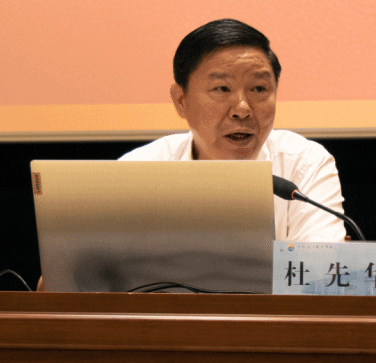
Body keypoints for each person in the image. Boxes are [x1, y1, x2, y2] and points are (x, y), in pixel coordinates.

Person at [121, 18, 347, 242]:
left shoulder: (303, 164)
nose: (242, 109)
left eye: (259, 89)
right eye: (222, 89)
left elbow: (320, 262)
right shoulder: (137, 173)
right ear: (181, 100)